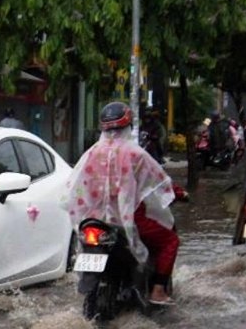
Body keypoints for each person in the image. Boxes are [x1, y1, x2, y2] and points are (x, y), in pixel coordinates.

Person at [65, 101, 184, 305]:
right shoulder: (136, 154)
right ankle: (157, 291)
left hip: (95, 219)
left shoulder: (92, 153)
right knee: (170, 240)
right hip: (129, 220)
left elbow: (75, 185)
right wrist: (178, 193)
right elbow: (159, 181)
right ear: (128, 126)